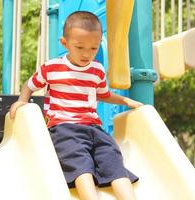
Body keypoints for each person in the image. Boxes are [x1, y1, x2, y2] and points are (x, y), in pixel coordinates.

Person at [10, 11, 142, 200]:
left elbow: (103, 94)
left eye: (93, 48)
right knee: (79, 159)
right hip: (64, 128)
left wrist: (125, 100)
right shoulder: (52, 68)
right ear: (65, 43)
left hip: (94, 127)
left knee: (112, 157)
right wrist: (21, 101)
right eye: (80, 47)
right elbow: (30, 85)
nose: (86, 54)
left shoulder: (96, 70)